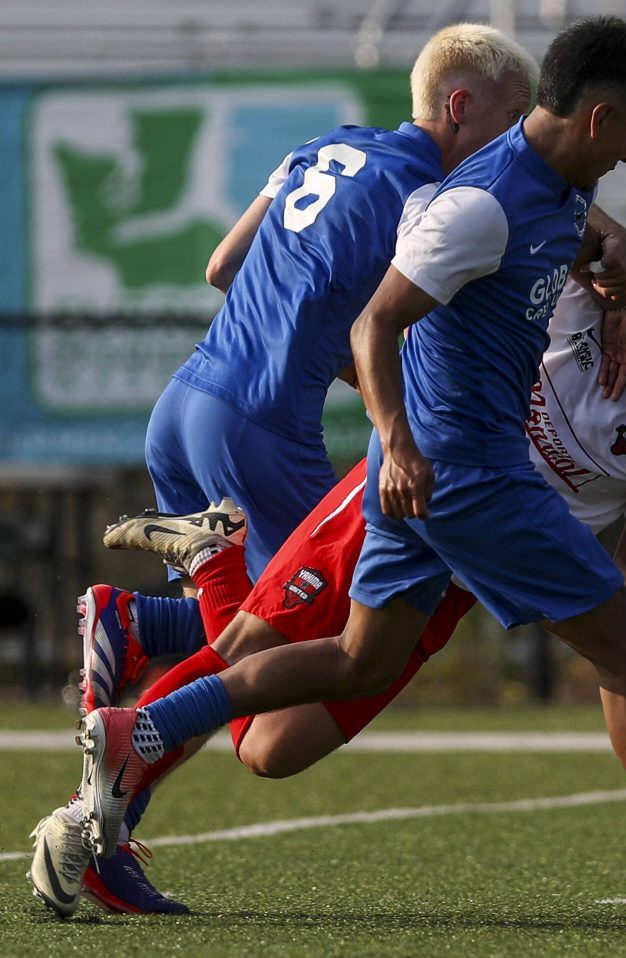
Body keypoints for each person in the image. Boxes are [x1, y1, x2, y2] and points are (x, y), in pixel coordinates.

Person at [74, 16, 626, 929]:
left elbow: (561, 232)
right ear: (599, 116)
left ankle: (135, 729)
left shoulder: (550, 195)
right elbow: (375, 323)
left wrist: (618, 285)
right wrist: (395, 436)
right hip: (457, 470)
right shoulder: (485, 202)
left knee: (346, 672)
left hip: (429, 480)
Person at [32, 250, 626, 918]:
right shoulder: (578, 314)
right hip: (402, 498)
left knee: (269, 750)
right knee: (242, 647)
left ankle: (183, 589)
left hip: (452, 585)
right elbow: (571, 223)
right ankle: (91, 830)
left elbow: (625, 559)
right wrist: (616, 294)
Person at [31, 22, 558, 918]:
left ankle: (138, 626)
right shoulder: (435, 189)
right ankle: (92, 833)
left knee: (249, 630)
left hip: (188, 401)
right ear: (460, 107)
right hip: (263, 429)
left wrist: (302, 328)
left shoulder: (328, 145)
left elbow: (222, 263)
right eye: (509, 123)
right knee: (275, 639)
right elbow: (399, 317)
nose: (514, 146)